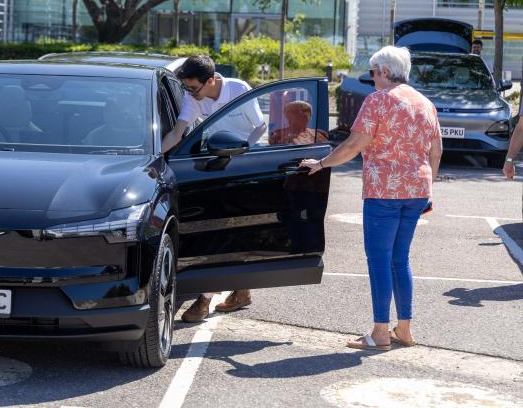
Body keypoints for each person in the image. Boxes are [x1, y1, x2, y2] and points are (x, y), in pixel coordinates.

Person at [300, 46, 442, 350]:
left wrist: (321, 163)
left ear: (386, 72)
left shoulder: (378, 101)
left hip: (384, 191)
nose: (372, 78)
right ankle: (403, 329)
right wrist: (428, 184)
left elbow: (354, 145)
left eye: (374, 72)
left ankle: (379, 333)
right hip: (417, 190)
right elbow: (436, 149)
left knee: (379, 260)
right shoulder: (425, 103)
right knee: (399, 259)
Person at [162, 54, 266, 323]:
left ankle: (205, 299)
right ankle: (241, 290)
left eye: (193, 88)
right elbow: (177, 133)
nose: (189, 94)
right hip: (217, 163)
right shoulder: (192, 97)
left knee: (227, 232)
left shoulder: (238, 89)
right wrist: (151, 156)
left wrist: (242, 155)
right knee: (225, 231)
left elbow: (260, 127)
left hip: (243, 166)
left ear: (211, 81)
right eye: (186, 88)